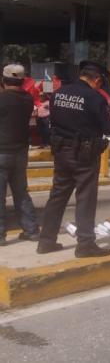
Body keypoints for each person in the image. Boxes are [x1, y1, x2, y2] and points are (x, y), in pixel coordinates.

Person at [38, 61, 110, 258]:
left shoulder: (58, 93)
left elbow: (52, 120)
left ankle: (46, 241)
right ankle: (85, 244)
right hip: (84, 155)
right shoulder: (95, 97)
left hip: (61, 151)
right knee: (85, 198)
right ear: (97, 80)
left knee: (57, 196)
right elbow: (107, 128)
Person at [0, 64, 40, 245]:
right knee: (21, 193)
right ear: (23, 81)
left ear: (4, 80)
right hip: (20, 153)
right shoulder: (27, 99)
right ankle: (31, 230)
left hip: (2, 151)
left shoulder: (2, 99)